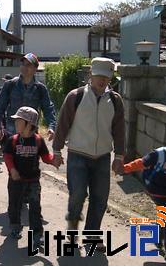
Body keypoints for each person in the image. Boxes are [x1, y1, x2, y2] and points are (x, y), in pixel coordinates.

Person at [52, 57, 125, 253]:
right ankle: (73, 231)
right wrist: (57, 151)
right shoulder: (75, 96)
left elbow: (119, 130)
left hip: (102, 156)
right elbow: (63, 124)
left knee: (100, 197)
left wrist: (119, 156)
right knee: (77, 195)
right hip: (77, 154)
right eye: (99, 76)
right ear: (91, 75)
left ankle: (92, 236)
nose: (102, 80)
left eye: (106, 77)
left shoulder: (115, 101)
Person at [123, 132, 166, 266]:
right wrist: (124, 168)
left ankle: (159, 233)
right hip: (157, 193)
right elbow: (140, 163)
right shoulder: (158, 155)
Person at [3, 106, 58, 247]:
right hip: (16, 181)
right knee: (14, 205)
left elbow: (45, 157)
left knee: (35, 208)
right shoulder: (13, 140)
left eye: (18, 121)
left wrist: (53, 160)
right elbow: (7, 156)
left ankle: (37, 234)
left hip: (33, 180)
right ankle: (15, 227)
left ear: (29, 124)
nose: (15, 124)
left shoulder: (38, 140)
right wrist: (12, 170)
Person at [0, 53, 57, 140]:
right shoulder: (10, 85)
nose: (24, 67)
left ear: (35, 68)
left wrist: (51, 127)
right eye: (23, 64)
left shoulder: (40, 88)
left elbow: (48, 109)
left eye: (28, 65)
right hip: (12, 134)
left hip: (31, 134)